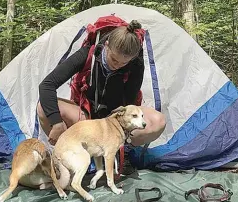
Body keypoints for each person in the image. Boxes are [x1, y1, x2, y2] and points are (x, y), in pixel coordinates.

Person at [37, 19, 166, 149]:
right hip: (86, 117)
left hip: (115, 119)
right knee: (43, 108)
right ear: (106, 45)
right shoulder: (87, 54)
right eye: (114, 59)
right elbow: (47, 85)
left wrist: (116, 126)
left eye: (123, 63)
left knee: (158, 121)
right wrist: (56, 122)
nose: (117, 66)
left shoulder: (135, 64)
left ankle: (120, 152)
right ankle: (73, 155)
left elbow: (129, 102)